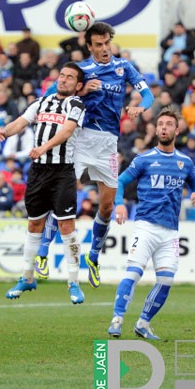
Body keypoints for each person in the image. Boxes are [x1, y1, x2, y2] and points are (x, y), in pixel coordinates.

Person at [39, 22, 155, 289]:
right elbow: (51, 93)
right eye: (99, 45)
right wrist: (81, 90)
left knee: (106, 206)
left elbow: (147, 95)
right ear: (89, 46)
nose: (105, 49)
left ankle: (93, 257)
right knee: (62, 197)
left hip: (108, 144)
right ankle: (43, 252)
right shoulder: (81, 71)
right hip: (81, 138)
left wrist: (140, 107)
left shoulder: (123, 67)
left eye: (107, 44)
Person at [107, 109, 195, 340]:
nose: (163, 128)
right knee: (133, 273)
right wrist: (119, 204)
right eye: (160, 124)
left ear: (177, 130)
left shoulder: (185, 162)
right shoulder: (144, 159)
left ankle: (143, 323)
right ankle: (117, 319)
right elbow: (120, 181)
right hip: (146, 226)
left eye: (168, 124)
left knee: (166, 280)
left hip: (170, 231)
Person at [0, 63, 87, 304]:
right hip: (38, 172)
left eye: (70, 77)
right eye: (62, 76)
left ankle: (74, 282)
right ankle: (27, 277)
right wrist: (5, 131)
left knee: (67, 227)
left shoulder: (76, 105)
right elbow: (21, 122)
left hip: (62, 173)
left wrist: (44, 147)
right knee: (34, 224)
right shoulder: (41, 102)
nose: (64, 80)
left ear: (78, 85)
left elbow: (67, 132)